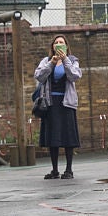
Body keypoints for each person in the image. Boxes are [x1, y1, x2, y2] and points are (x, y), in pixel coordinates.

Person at [34, 35, 82, 178]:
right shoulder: (46, 61)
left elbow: (75, 76)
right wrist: (52, 64)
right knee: (52, 138)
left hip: (66, 103)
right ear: (52, 46)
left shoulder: (73, 61)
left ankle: (69, 170)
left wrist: (65, 59)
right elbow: (39, 76)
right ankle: (54, 170)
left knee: (68, 137)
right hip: (50, 103)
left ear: (66, 46)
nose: (59, 44)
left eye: (62, 42)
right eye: (56, 43)